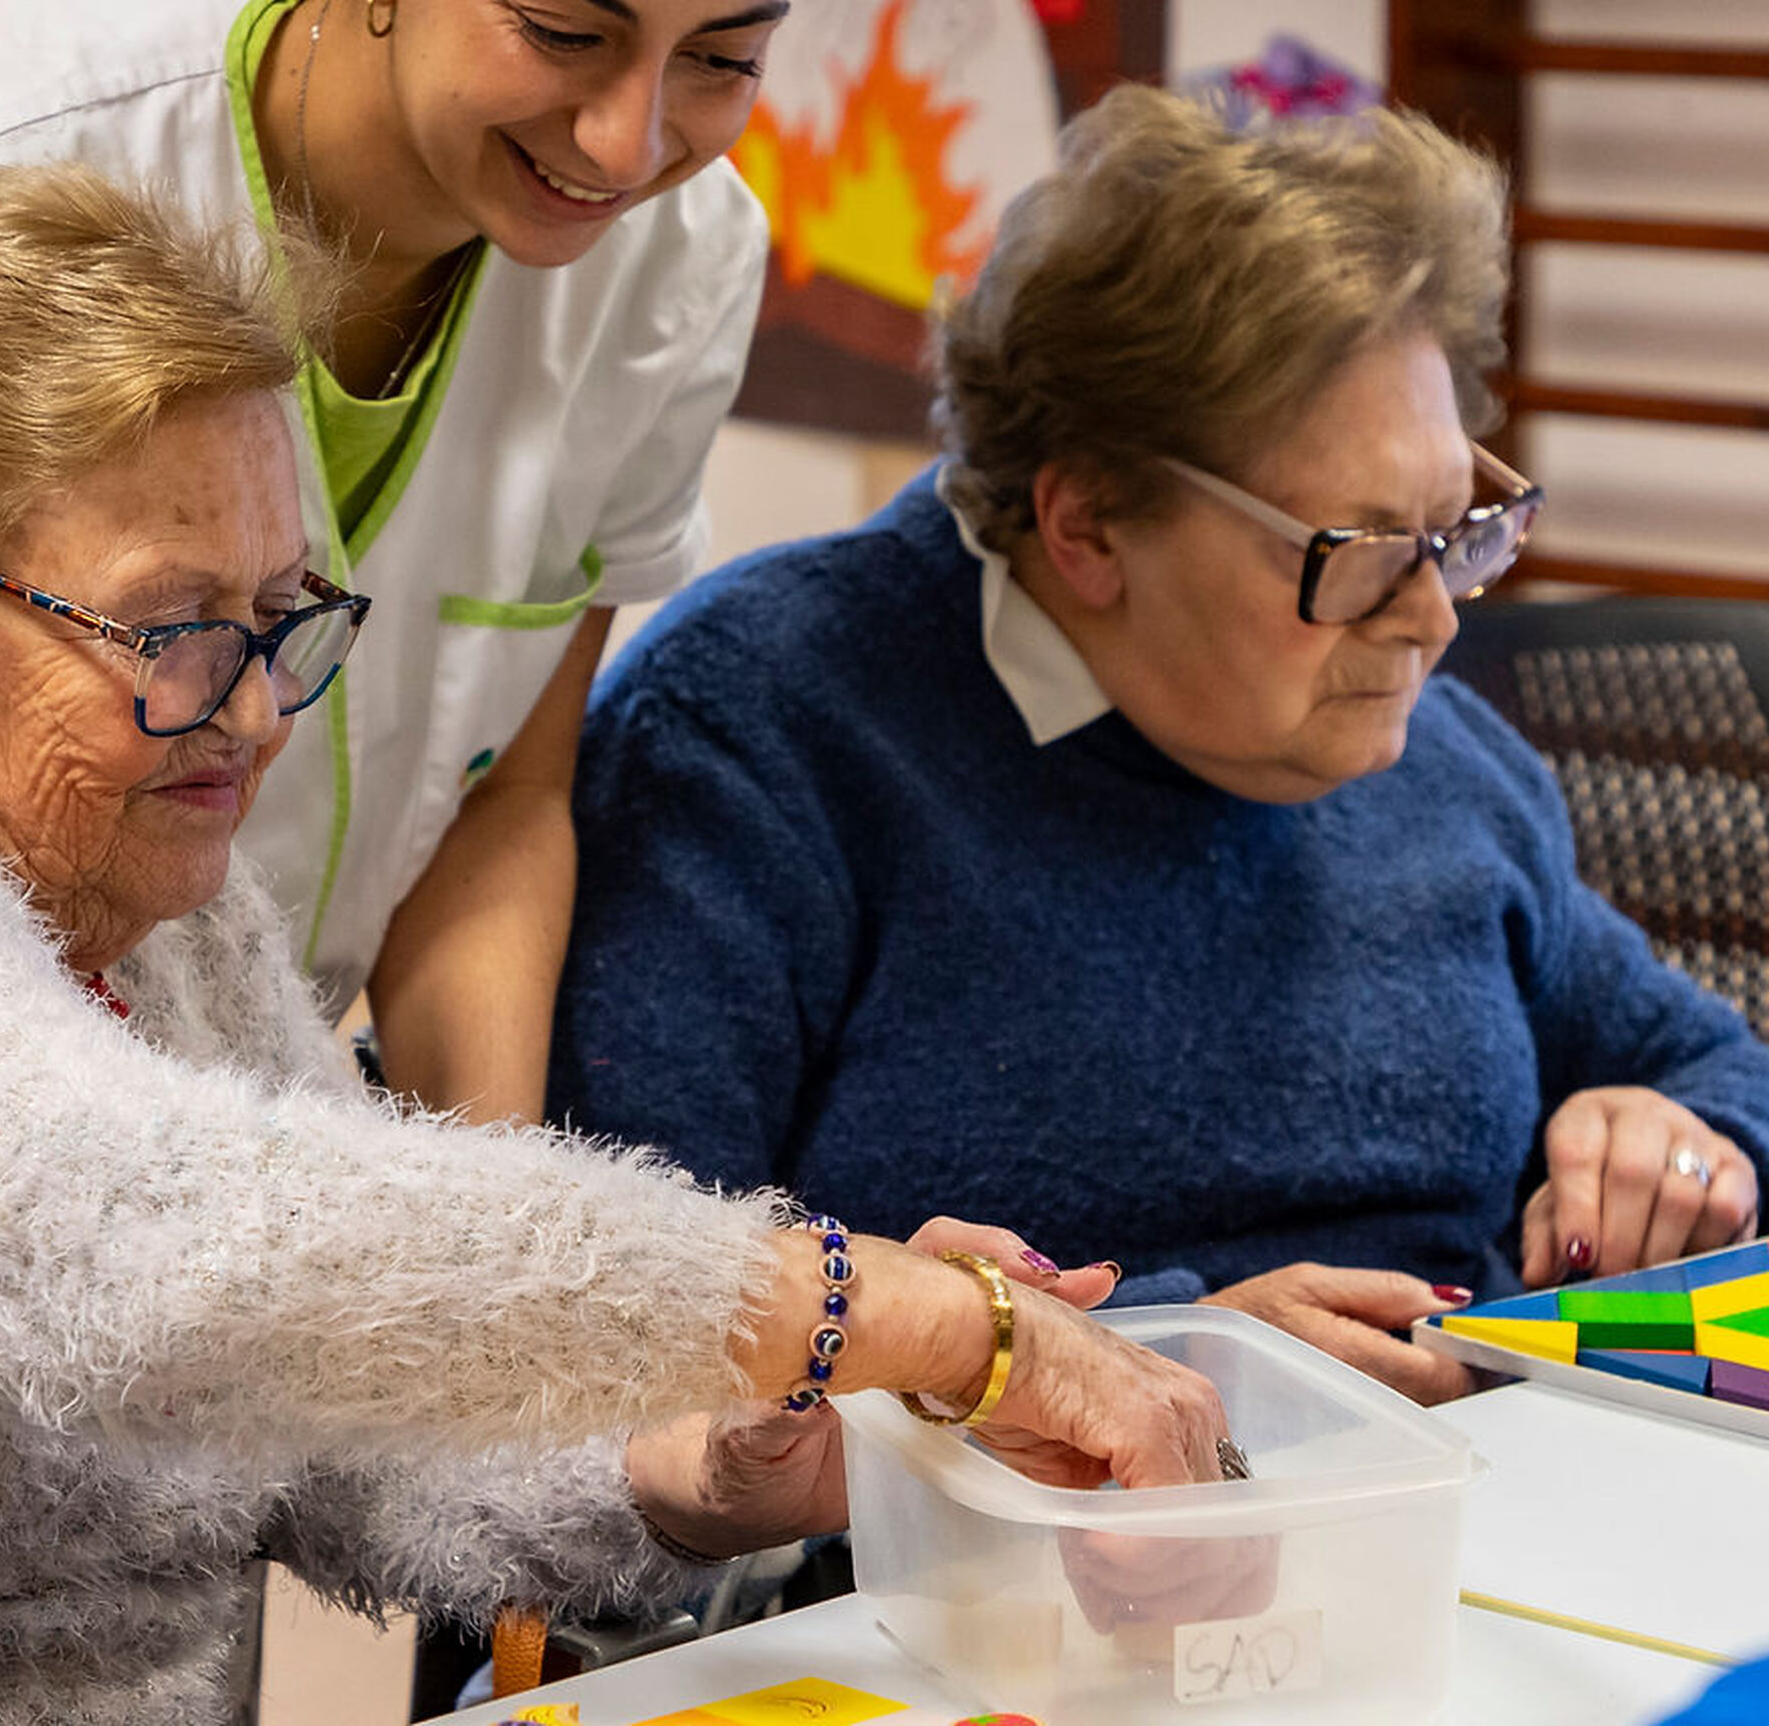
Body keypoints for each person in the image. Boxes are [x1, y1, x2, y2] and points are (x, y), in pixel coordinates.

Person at [0, 162, 1238, 1724]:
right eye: (171, 634)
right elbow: (226, 1255)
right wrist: (906, 1314)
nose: (251, 712)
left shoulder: (165, 914)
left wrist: (739, 1447)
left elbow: (363, 1445)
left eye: (279, 616)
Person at [547, 83, 1769, 1407]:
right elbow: (636, 1324)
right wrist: (1186, 1354)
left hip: (1462, 1520)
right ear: (1088, 528)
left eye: (1456, 529)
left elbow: (1713, 1067)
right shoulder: (761, 736)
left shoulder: (1442, 772)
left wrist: (1685, 1145)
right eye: (1356, 555)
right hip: (973, 1568)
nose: (1430, 619)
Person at [0, 0, 815, 1118]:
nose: (628, 145)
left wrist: (492, 1227)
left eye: (724, 56)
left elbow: (503, 803)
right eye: (565, 33)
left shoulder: (676, 266)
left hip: (262, 1118)